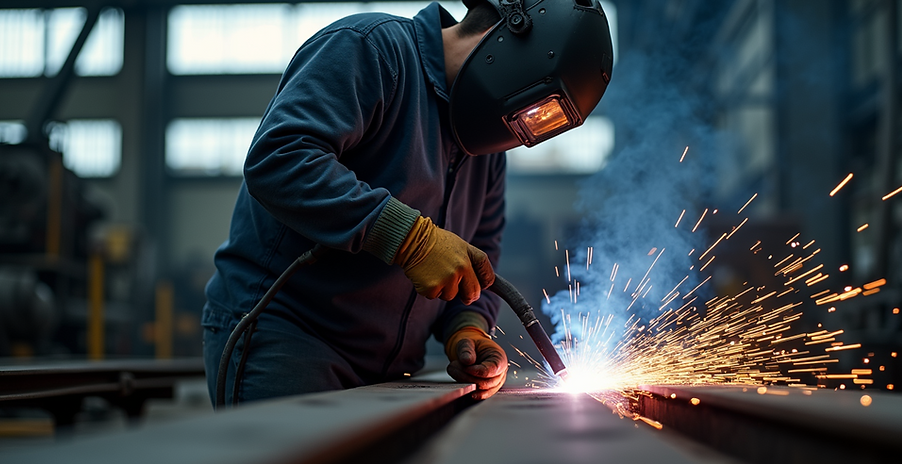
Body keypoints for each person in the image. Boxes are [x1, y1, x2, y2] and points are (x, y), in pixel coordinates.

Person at [202, 0, 613, 407]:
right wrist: (410, 239)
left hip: (391, 369)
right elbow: (280, 157)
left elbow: (480, 253)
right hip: (290, 338)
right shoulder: (372, 50)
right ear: (515, 38)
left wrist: (467, 328)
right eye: (534, 102)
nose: (524, 118)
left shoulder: (485, 148)